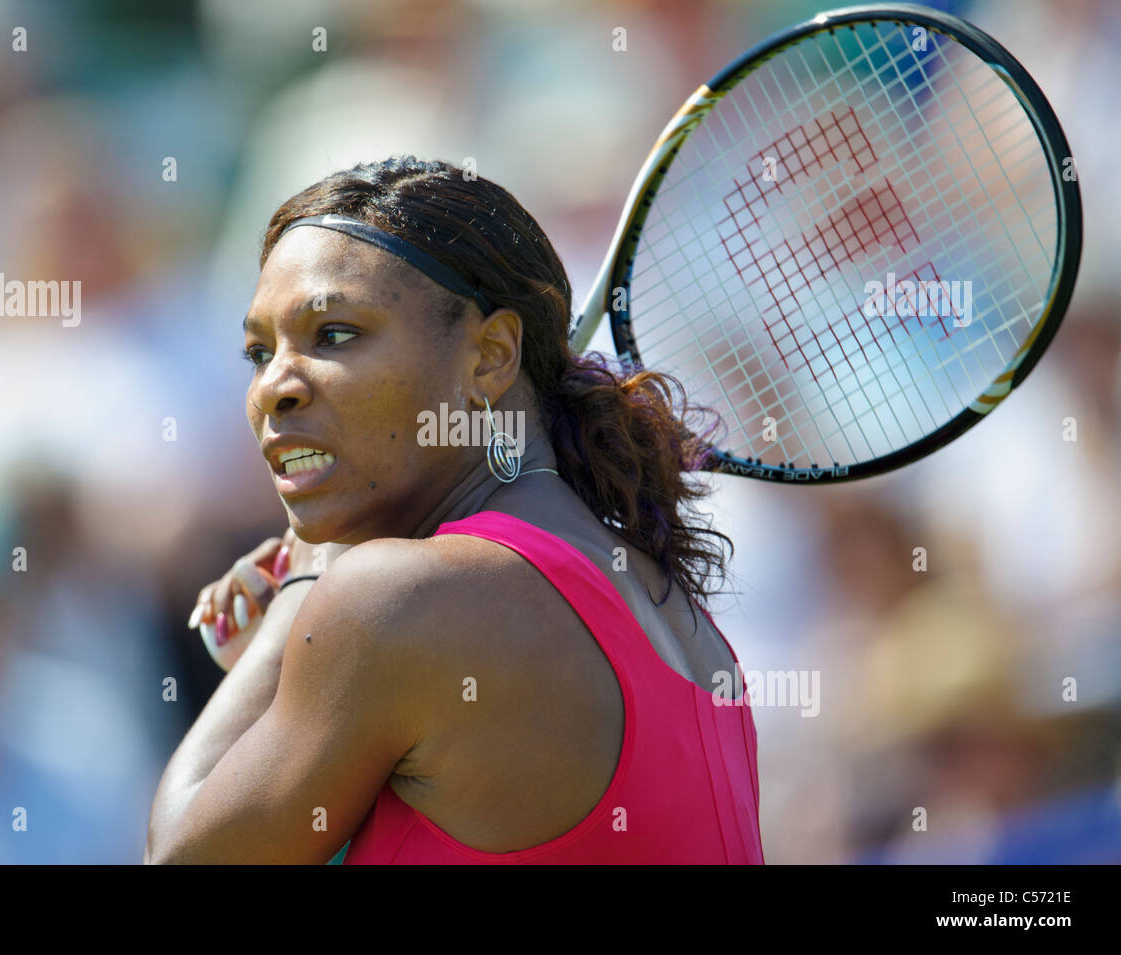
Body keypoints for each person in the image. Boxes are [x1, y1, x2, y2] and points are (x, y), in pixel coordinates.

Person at [145, 156, 763, 864]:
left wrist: (308, 580)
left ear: (491, 356)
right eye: (258, 352)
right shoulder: (684, 621)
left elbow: (181, 858)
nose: (272, 388)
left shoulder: (395, 599)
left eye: (334, 334)